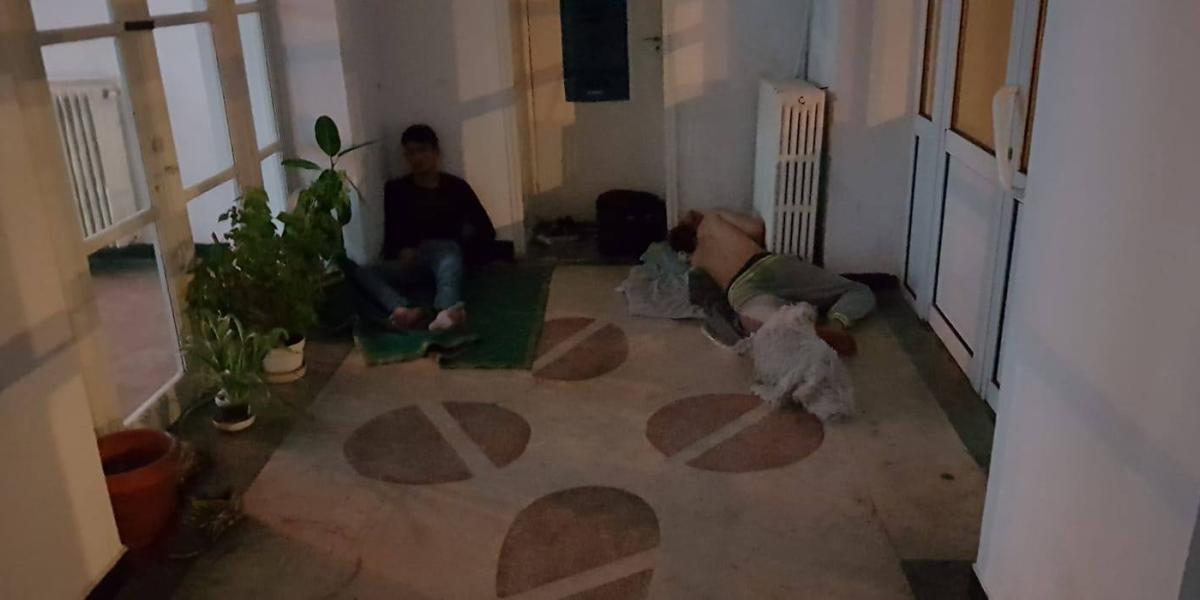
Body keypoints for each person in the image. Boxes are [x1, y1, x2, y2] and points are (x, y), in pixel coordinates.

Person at [344, 124, 496, 331]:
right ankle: (402, 310)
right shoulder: (397, 190)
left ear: (436, 153)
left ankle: (445, 310)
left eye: (422, 151)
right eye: (410, 153)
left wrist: (458, 242)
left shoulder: (457, 188)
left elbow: (486, 230)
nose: (417, 158)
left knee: (446, 252)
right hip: (414, 262)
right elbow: (392, 234)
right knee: (361, 271)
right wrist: (402, 250)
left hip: (447, 259)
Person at [669, 210, 875, 354]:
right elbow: (756, 229)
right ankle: (837, 321)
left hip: (738, 289)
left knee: (762, 315)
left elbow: (711, 296)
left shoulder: (696, 263)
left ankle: (785, 324)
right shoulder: (711, 219)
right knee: (857, 290)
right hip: (767, 265)